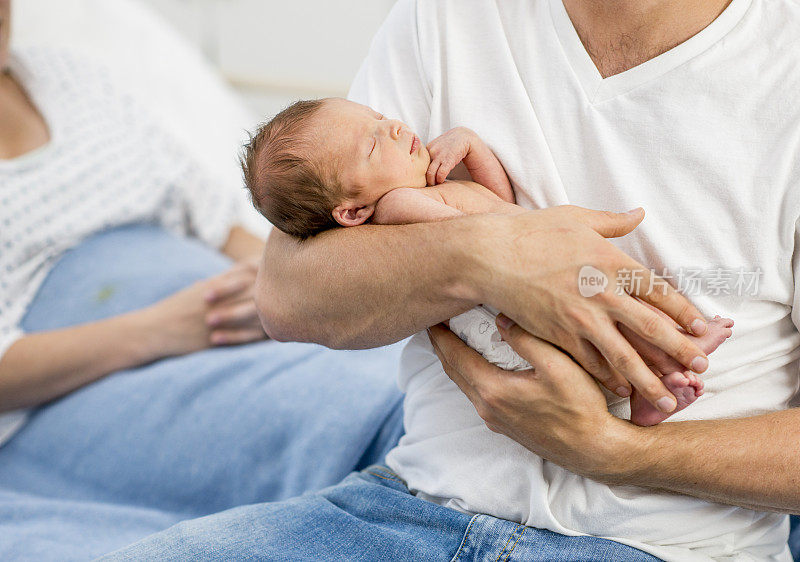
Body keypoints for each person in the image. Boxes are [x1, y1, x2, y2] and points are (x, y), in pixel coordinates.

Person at [98, 0, 800, 560]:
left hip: (657, 545)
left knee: (650, 328)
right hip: (413, 506)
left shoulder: (780, 67)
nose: (392, 132)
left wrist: (614, 452)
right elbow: (287, 294)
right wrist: (491, 257)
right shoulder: (446, 19)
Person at [0, 1, 405, 559]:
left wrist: (293, 288)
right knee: (349, 413)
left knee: (411, 375)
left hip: (224, 314)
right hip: (75, 386)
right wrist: (164, 328)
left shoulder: (70, 78)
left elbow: (215, 219)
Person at [241, 96, 735, 427]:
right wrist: (555, 226)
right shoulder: (397, 207)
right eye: (373, 144)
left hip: (517, 285)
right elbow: (485, 239)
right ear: (351, 212)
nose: (391, 126)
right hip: (498, 325)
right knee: (593, 311)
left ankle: (653, 389)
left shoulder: (432, 190)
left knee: (609, 299)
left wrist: (472, 148)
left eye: (377, 116)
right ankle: (657, 377)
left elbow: (498, 202)